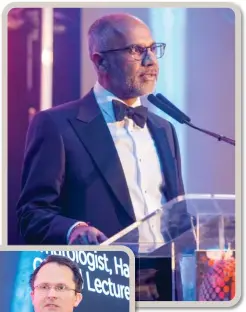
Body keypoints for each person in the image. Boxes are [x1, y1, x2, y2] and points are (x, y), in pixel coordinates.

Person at [16, 13, 187, 246]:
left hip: (164, 276)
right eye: (136, 50)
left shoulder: (163, 128)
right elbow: (32, 214)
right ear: (100, 61)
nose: (150, 61)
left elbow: (177, 214)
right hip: (102, 274)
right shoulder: (56, 125)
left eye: (153, 48)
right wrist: (74, 229)